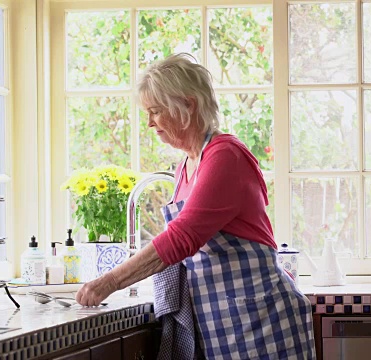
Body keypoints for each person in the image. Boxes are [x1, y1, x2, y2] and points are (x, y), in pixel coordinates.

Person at [75, 53, 316, 359]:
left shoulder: (225, 156)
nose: (149, 123)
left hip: (262, 321)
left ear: (188, 105)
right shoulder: (186, 166)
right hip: (226, 322)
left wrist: (109, 281)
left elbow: (181, 238)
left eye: (156, 111)